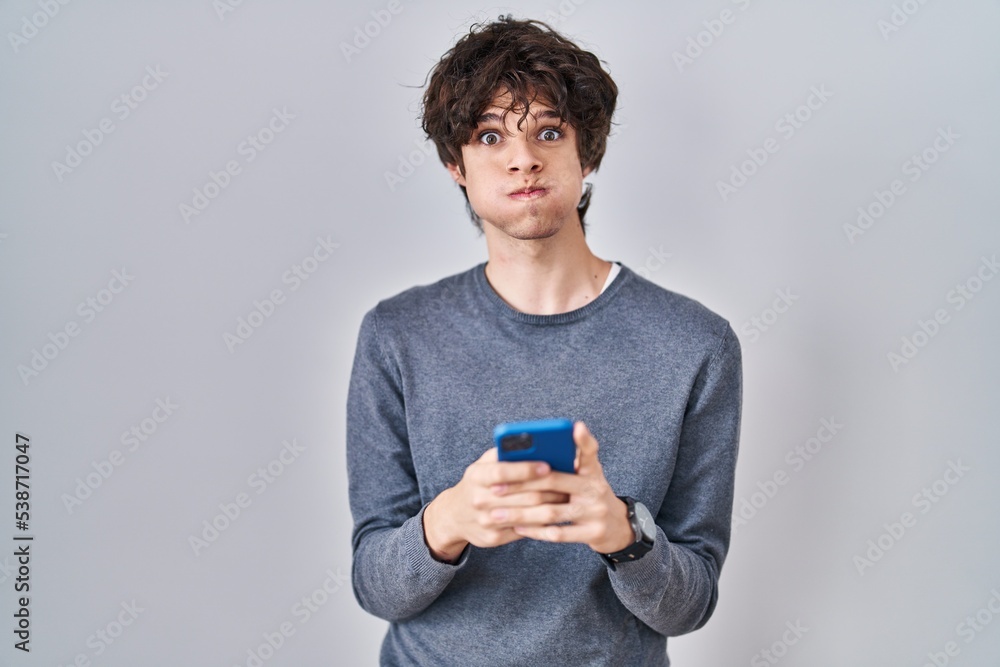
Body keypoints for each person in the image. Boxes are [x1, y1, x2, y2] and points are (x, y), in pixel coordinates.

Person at [346, 14, 743, 666]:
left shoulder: (695, 345)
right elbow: (375, 585)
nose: (522, 157)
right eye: (490, 135)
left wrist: (622, 533)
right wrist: (450, 519)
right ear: (455, 165)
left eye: (548, 132)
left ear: (587, 154)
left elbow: (690, 602)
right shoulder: (397, 335)